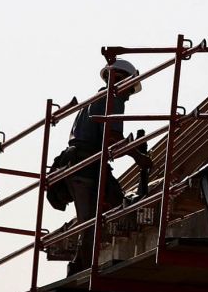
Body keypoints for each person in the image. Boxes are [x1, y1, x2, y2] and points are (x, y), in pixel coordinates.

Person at [64, 59, 151, 274]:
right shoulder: (113, 98)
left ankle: (80, 265)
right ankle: (82, 268)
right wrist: (137, 157)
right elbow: (112, 138)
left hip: (82, 165)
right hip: (85, 167)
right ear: (122, 80)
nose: (129, 95)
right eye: (130, 88)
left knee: (105, 210)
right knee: (93, 222)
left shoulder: (99, 97)